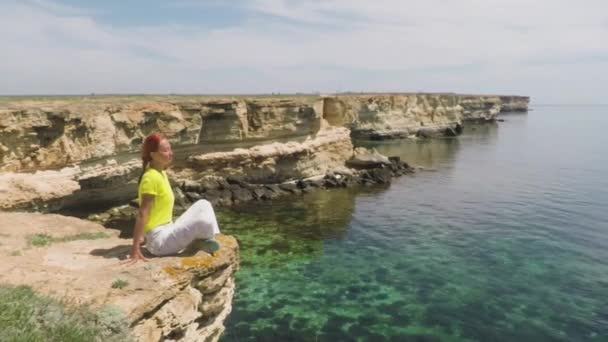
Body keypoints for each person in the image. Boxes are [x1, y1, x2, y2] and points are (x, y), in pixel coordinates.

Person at [125, 133, 221, 264]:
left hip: (168, 230)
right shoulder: (151, 177)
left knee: (203, 204)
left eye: (170, 149)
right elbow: (142, 213)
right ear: (153, 155)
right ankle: (203, 241)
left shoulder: (161, 173)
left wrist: (144, 236)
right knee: (203, 222)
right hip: (160, 243)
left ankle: (204, 240)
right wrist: (135, 249)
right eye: (165, 150)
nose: (170, 153)